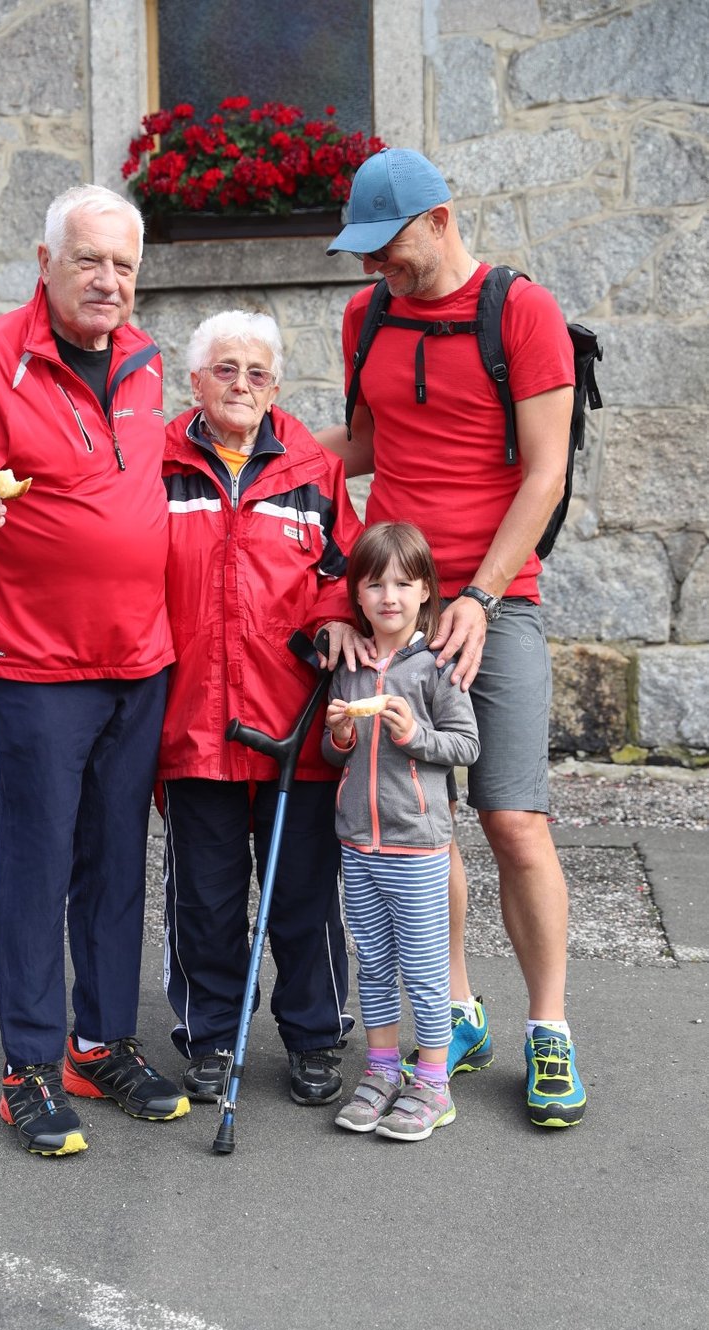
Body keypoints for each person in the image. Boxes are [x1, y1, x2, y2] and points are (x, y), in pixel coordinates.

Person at [0, 184, 189, 1158]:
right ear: (46, 261)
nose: (108, 281)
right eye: (90, 261)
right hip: (35, 659)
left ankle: (100, 1044)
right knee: (38, 861)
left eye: (123, 266)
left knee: (116, 860)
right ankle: (28, 1066)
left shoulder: (150, 365)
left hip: (141, 655)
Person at [318, 147, 587, 1127]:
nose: (371, 271)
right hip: (394, 600)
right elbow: (364, 448)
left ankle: (548, 1028)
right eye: (363, 256)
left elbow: (544, 473)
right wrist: (254, 449)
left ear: (438, 219)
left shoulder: (522, 313)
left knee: (512, 818)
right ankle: (457, 1011)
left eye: (384, 250)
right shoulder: (368, 316)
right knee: (419, 825)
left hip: (496, 598)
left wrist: (477, 591)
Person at [159, 310, 365, 1106]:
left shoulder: (313, 470)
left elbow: (344, 571)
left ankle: (315, 1035)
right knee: (204, 902)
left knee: (303, 899)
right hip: (194, 725)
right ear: (195, 380)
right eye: (224, 369)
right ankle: (213, 1037)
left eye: (256, 372)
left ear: (275, 385)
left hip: (293, 731)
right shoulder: (157, 463)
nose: (241, 384)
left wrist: (335, 613)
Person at [323, 522, 479, 1140]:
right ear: (357, 597)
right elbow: (340, 758)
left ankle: (434, 1081)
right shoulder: (352, 668)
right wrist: (339, 735)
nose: (389, 596)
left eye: (403, 584)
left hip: (417, 843)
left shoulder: (436, 667)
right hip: (358, 842)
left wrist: (414, 735)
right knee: (375, 962)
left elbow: (465, 743)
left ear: (425, 594)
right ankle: (383, 1066)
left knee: (423, 964)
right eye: (374, 584)